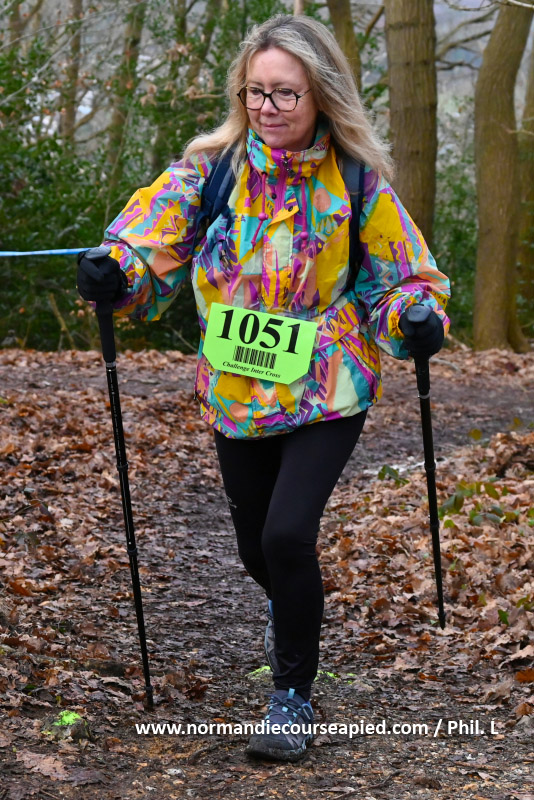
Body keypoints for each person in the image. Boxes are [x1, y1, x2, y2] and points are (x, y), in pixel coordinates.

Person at [77, 14, 450, 762]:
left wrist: (415, 316)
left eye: (285, 93)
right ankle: (292, 608)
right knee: (257, 549)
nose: (267, 106)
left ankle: (291, 698)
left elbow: (405, 277)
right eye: (256, 91)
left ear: (321, 96)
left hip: (328, 383)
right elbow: (146, 242)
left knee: (286, 535)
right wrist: (115, 270)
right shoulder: (209, 171)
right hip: (238, 388)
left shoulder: (355, 182)